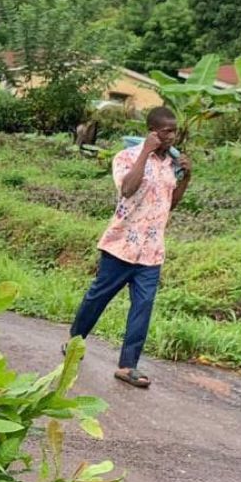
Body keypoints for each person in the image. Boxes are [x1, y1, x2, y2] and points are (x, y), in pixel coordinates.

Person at [68, 106, 193, 389]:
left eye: (175, 131)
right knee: (98, 297)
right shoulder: (125, 157)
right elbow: (127, 189)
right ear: (152, 131)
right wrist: (145, 153)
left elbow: (168, 204)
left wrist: (186, 177)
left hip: (151, 251)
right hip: (121, 245)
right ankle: (75, 339)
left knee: (143, 306)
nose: (172, 136)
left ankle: (128, 365)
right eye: (167, 131)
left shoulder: (170, 165)